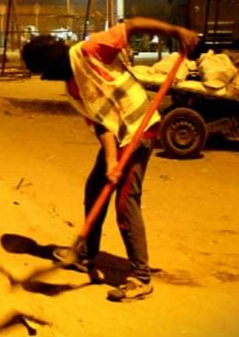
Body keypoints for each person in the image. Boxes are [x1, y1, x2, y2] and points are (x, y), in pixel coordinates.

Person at [21, 17, 199, 302]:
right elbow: (102, 124)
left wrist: (176, 31)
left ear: (56, 64)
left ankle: (141, 278)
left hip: (139, 127)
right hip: (118, 135)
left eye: (48, 73)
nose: (50, 79)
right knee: (95, 189)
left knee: (125, 203)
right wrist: (111, 161)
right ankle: (85, 255)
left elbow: (132, 26)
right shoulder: (72, 88)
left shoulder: (91, 49)